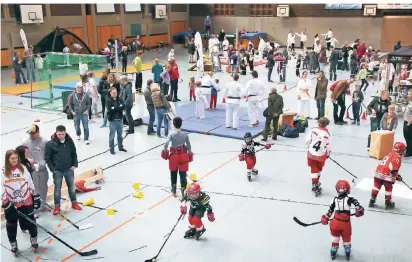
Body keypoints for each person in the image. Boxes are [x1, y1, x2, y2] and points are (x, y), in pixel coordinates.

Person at [2, 149, 41, 255]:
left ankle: (34, 240)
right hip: (11, 203)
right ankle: (13, 244)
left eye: (16, 158)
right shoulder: (3, 171)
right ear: (7, 159)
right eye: (12, 158)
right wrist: (5, 202)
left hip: (26, 201)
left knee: (30, 222)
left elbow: (30, 182)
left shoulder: (23, 168)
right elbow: (1, 187)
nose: (15, 160)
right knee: (11, 225)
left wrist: (35, 195)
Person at [321, 180, 364, 260]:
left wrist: (325, 217)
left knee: (335, 237)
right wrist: (360, 211)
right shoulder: (350, 198)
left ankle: (334, 249)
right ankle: (347, 249)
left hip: (335, 222)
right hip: (346, 224)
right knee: (346, 237)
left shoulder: (334, 200)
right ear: (347, 189)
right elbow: (359, 208)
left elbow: (330, 212)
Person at [45, 125, 82, 215]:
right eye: (59, 134)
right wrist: (53, 169)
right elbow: (47, 158)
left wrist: (74, 164)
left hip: (69, 169)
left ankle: (74, 203)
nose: (61, 136)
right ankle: (57, 206)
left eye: (63, 134)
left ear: (65, 133)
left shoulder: (69, 141)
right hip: (58, 171)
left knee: (71, 188)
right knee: (57, 189)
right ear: (56, 133)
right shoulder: (50, 144)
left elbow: (74, 153)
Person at [161, 117, 193, 196]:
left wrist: (165, 151)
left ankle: (174, 190)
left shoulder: (171, 133)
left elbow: (166, 144)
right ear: (181, 124)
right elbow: (188, 145)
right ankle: (183, 191)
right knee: (183, 174)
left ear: (173, 124)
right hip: (183, 155)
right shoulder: (185, 134)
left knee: (173, 173)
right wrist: (189, 153)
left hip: (174, 156)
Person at [369, 142, 406, 209]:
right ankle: (388, 202)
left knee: (376, 186)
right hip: (387, 175)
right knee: (388, 187)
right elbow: (394, 170)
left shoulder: (389, 154)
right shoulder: (398, 158)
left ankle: (372, 199)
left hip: (378, 172)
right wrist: (397, 177)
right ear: (400, 150)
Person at [22, 124, 48, 213]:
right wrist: (28, 159)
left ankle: (43, 205)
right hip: (32, 170)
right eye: (30, 134)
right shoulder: (25, 142)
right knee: (34, 189)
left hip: (43, 168)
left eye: (33, 133)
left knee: (43, 188)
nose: (31, 135)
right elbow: (21, 154)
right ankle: (35, 209)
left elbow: (49, 154)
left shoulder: (44, 141)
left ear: (38, 132)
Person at [306, 117, 331, 197]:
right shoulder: (326, 134)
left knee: (313, 168)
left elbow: (307, 140)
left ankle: (314, 183)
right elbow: (328, 146)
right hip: (321, 154)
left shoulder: (313, 130)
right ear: (326, 125)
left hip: (311, 153)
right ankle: (316, 182)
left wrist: (308, 146)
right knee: (319, 168)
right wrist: (328, 154)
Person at [106, 87, 127, 154]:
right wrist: (118, 107)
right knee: (112, 136)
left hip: (120, 120)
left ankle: (120, 147)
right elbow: (110, 109)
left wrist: (114, 108)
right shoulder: (108, 101)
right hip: (112, 121)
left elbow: (123, 107)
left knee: (120, 135)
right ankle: (111, 149)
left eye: (116, 92)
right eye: (113, 93)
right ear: (110, 93)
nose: (115, 94)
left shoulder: (120, 99)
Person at [404, 89, 412, 157]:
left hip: (409, 123)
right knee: (406, 137)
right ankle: (408, 149)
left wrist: (409, 123)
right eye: (408, 94)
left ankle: (409, 152)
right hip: (406, 121)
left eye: (409, 94)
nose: (408, 95)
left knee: (409, 138)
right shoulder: (409, 101)